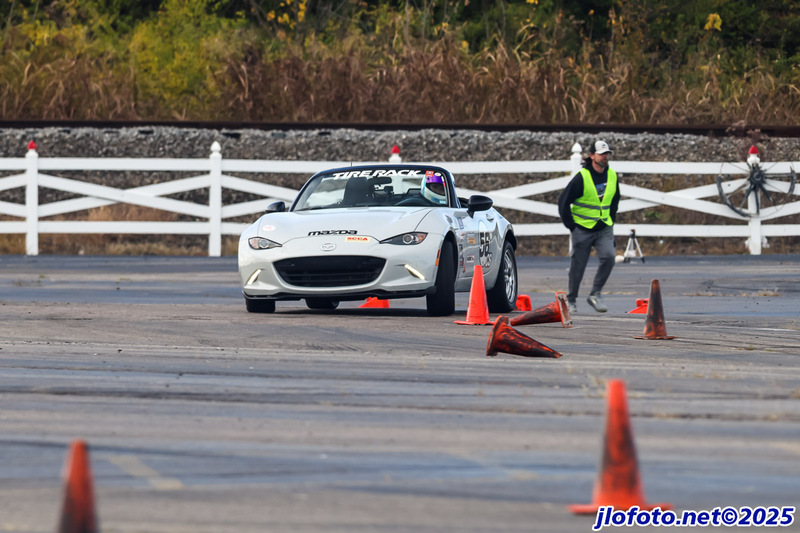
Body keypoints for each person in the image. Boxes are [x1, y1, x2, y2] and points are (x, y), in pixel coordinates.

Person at [558, 140, 621, 314]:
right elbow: (563, 203)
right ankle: (571, 300)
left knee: (609, 257)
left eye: (607, 153)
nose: (605, 157)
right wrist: (572, 227)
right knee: (578, 266)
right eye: (601, 154)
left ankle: (596, 293)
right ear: (592, 156)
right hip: (583, 228)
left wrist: (611, 221)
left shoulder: (613, 176)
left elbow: (615, 201)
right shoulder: (582, 177)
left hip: (604, 228)